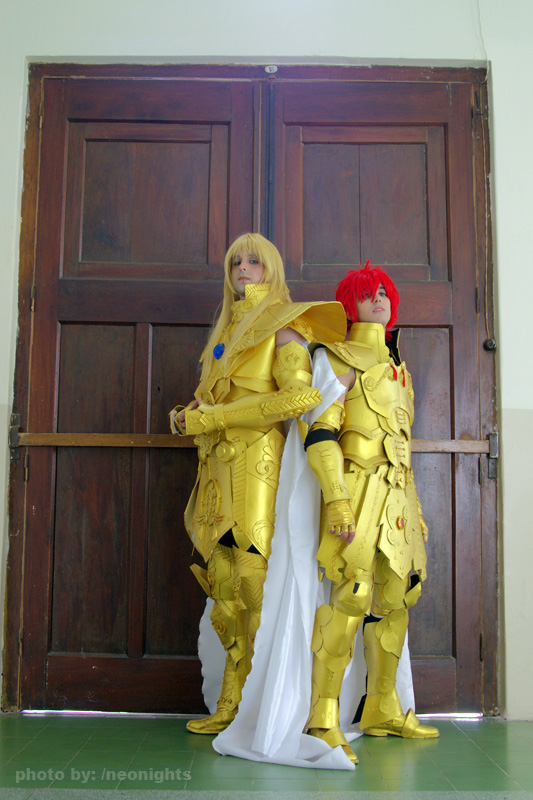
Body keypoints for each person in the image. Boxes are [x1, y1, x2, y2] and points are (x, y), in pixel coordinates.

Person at [170, 233, 346, 736]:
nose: (242, 269)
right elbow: (207, 402)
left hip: (259, 468)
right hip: (215, 472)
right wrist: (186, 417)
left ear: (271, 269)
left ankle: (259, 708)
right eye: (235, 262)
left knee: (254, 586)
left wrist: (215, 417)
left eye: (253, 261)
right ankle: (231, 704)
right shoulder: (223, 335)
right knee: (224, 594)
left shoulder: (283, 326)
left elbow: (300, 398)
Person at [303, 262, 439, 765]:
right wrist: (337, 496)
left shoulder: (401, 369)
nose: (378, 298)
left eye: (384, 291)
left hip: (397, 493)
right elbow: (320, 431)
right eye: (367, 292)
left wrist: (414, 508)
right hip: (356, 490)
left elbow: (402, 443)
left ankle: (382, 707)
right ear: (349, 302)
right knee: (351, 597)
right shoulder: (336, 355)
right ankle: (323, 717)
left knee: (398, 598)